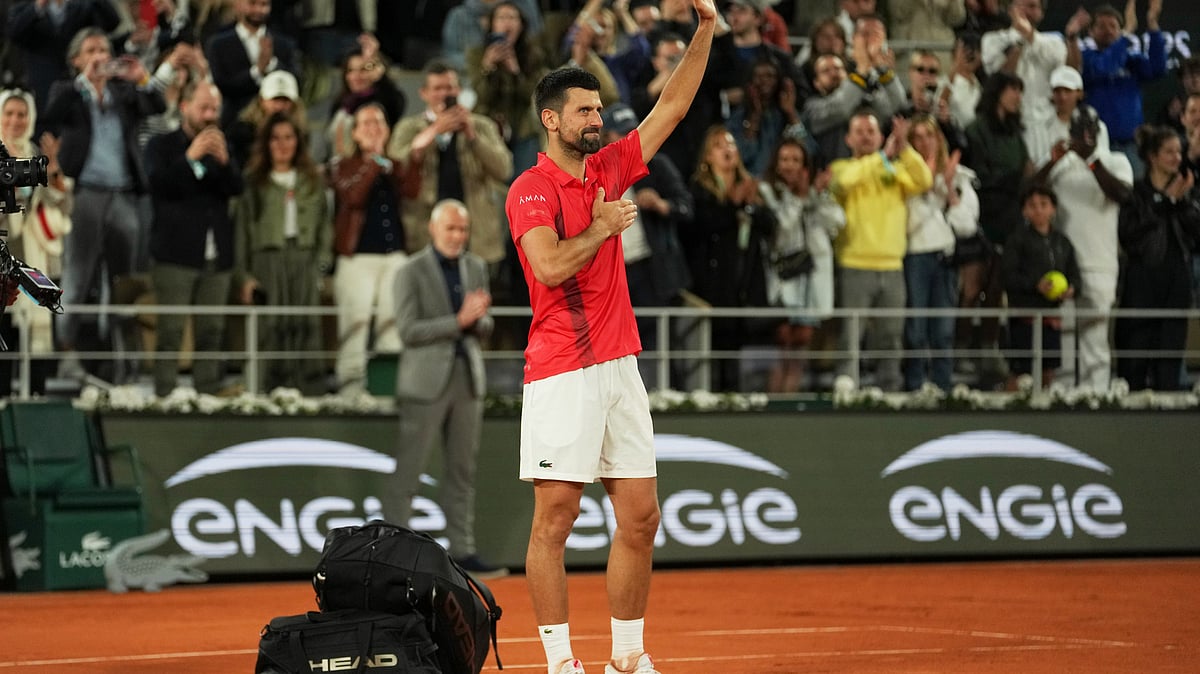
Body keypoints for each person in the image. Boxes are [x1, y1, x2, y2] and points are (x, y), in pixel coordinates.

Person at [503, 0, 718, 671]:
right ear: (551, 119)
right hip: (562, 368)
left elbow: (672, 110)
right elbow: (546, 264)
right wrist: (599, 229)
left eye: (599, 110)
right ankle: (561, 663)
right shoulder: (529, 190)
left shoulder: (608, 169)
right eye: (585, 112)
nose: (598, 120)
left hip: (620, 366)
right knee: (556, 519)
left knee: (641, 516)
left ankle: (627, 658)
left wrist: (705, 29)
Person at [386, 198, 505, 579]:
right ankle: (394, 554)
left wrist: (480, 319)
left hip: (467, 377)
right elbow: (408, 330)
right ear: (433, 230)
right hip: (424, 383)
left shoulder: (476, 266)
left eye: (463, 230)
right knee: (410, 471)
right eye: (451, 229)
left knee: (462, 471)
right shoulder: (410, 271)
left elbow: (484, 326)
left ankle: (463, 551)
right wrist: (459, 320)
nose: (458, 236)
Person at [40, 26, 165, 384]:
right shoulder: (66, 90)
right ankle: (67, 354)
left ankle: (121, 357)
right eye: (91, 50)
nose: (99, 57)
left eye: (104, 50)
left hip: (124, 194)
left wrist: (142, 77)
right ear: (77, 59)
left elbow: (158, 105)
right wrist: (86, 83)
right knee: (77, 277)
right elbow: (51, 115)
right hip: (85, 193)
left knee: (121, 282)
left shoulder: (124, 92)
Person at [145, 81, 244, 396]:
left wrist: (226, 162)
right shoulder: (161, 146)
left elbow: (237, 188)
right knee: (171, 330)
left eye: (214, 108)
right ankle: (165, 394)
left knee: (212, 330)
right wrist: (190, 158)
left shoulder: (222, 146)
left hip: (217, 255)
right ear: (185, 107)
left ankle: (208, 390)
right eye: (204, 108)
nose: (210, 115)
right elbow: (160, 186)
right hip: (175, 255)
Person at [829, 111, 933, 391]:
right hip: (855, 263)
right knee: (851, 336)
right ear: (849, 139)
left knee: (891, 337)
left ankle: (889, 391)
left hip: (892, 266)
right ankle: (847, 389)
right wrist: (882, 156)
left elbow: (924, 180)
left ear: (880, 136)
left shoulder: (892, 170)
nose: (865, 136)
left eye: (871, 131)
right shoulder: (841, 167)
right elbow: (844, 183)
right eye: (860, 131)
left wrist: (906, 148)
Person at [1033, 103, 1132, 392]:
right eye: (1078, 130)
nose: (1083, 136)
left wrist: (1091, 161)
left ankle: (1097, 394)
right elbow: (1029, 192)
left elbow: (1123, 195)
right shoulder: (1059, 163)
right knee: (1061, 336)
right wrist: (1052, 161)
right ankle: (1061, 396)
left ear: (1097, 130)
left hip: (1100, 263)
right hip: (1061, 266)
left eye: (1088, 130)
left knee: (1095, 339)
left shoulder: (1115, 161)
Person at [235, 112, 331, 394]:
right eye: (275, 138)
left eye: (288, 137)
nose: (282, 144)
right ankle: (267, 389)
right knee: (270, 326)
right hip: (268, 260)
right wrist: (243, 276)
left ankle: (309, 390)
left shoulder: (312, 181)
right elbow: (241, 231)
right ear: (266, 143)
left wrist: (322, 264)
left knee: (305, 324)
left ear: (298, 142)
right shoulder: (254, 182)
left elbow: (325, 225)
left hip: (304, 259)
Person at [330, 102, 420, 394]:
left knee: (392, 326)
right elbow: (353, 196)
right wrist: (373, 160)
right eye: (366, 124)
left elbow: (411, 190)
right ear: (354, 133)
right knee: (354, 326)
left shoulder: (391, 165)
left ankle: (387, 388)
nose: (374, 129)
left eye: (379, 123)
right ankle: (350, 390)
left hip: (393, 257)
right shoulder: (341, 166)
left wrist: (412, 159)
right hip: (357, 259)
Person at [684, 125, 775, 391]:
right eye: (719, 145)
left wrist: (748, 206)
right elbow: (699, 226)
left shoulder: (751, 187)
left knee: (736, 346)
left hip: (743, 280)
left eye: (731, 144)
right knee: (712, 345)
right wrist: (732, 205)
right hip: (711, 284)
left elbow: (770, 224)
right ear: (707, 157)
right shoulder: (698, 190)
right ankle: (708, 396)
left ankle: (735, 395)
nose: (727, 149)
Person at [1116, 125, 1200, 390]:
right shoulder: (1136, 193)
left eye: (1179, 151)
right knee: (1136, 358)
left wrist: (1177, 202)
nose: (1177, 157)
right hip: (1143, 282)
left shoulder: (1187, 195)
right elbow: (1129, 235)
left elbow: (1196, 232)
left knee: (1169, 360)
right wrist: (1164, 201)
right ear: (1152, 157)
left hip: (1176, 281)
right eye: (1169, 152)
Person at [758, 137, 845, 393]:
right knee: (783, 341)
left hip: (812, 279)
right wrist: (797, 199)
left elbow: (838, 222)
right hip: (782, 278)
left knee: (802, 343)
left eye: (796, 160)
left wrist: (815, 195)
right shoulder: (767, 191)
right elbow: (781, 231)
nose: (790, 166)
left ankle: (789, 400)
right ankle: (774, 402)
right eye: (785, 159)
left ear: (806, 166)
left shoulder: (817, 194)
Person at [0, 87, 71, 395]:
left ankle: (36, 403)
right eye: (9, 113)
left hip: (34, 259)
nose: (16, 120)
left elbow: (61, 206)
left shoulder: (36, 154)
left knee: (36, 338)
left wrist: (53, 172)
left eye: (22, 114)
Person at [903, 115, 979, 391]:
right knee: (916, 329)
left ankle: (943, 389)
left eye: (929, 136)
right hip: (916, 257)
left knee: (944, 331)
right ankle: (914, 388)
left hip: (946, 259)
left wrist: (948, 190)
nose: (924, 142)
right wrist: (929, 190)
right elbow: (909, 224)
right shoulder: (905, 177)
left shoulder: (958, 175)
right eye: (918, 137)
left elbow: (967, 226)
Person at [1002, 184, 1080, 389]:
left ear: (1053, 209)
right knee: (1020, 372)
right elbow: (1008, 276)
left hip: (1051, 318)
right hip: (1024, 318)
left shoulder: (1063, 242)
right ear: (1024, 211)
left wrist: (1071, 289)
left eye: (1044, 204)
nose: (1038, 210)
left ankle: (1043, 413)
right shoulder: (1016, 240)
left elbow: (1075, 275)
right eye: (1032, 205)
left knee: (1048, 371)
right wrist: (1035, 285)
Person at [204, 0, 300, 129]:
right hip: (234, 125)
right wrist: (257, 71)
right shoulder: (218, 45)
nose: (259, 10)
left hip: (278, 126)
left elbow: (295, 81)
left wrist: (271, 64)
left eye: (264, 5)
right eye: (252, 4)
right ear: (237, 4)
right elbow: (222, 85)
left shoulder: (284, 44)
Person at [980, 0, 1065, 121]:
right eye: (1022, 6)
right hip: (1009, 121)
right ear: (1010, 10)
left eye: (1033, 6)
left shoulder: (1054, 42)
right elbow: (999, 79)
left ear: (1041, 13)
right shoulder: (992, 40)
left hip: (1046, 119)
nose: (1028, 11)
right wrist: (1020, 42)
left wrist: (1028, 34)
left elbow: (1059, 65)